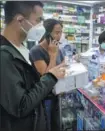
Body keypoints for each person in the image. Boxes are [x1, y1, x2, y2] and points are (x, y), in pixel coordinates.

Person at [0, 2, 66, 131]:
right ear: (20, 20)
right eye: (38, 20)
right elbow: (21, 106)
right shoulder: (4, 56)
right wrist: (51, 77)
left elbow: (31, 87)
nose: (41, 26)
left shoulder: (21, 48)